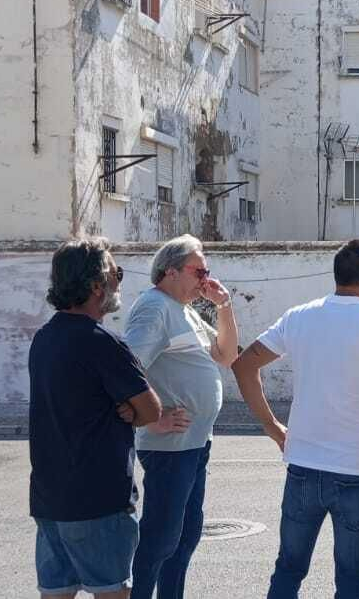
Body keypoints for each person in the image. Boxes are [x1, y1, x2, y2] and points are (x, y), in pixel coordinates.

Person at [230, 239, 359, 599]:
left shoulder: (300, 316)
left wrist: (272, 426)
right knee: (351, 580)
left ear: (337, 275)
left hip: (303, 463)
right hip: (357, 470)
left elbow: (244, 365)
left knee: (288, 568)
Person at [28, 237, 163, 599]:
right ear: (95, 286)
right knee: (111, 591)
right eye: (116, 274)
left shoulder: (44, 338)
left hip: (50, 497)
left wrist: (126, 408)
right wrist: (130, 411)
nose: (119, 283)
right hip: (98, 498)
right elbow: (151, 410)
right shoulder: (104, 343)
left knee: (55, 592)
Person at [123, 234, 240, 599]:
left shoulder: (185, 310)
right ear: (170, 271)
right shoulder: (154, 307)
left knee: (185, 535)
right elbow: (127, 369)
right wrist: (149, 418)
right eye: (199, 270)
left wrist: (223, 305)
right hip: (169, 447)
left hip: (194, 443)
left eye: (208, 271)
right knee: (160, 538)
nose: (205, 278)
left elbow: (226, 354)